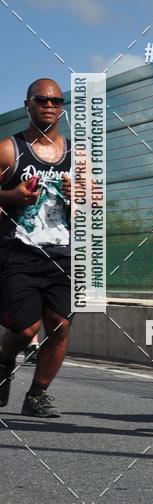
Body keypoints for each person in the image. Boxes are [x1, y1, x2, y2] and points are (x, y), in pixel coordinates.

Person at [0, 78, 72, 418]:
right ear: (27, 104)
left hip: (63, 254)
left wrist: (83, 197)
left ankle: (37, 395)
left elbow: (97, 204)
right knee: (25, 329)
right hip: (20, 252)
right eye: (42, 100)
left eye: (57, 101)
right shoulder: (9, 150)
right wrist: (12, 197)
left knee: (60, 325)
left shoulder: (77, 156)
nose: (50, 105)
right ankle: (3, 363)